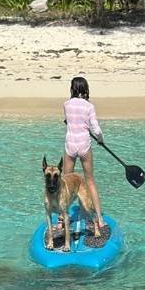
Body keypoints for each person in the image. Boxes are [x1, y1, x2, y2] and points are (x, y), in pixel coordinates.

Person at [62, 75, 107, 236]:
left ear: (72, 89)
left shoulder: (66, 104)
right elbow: (96, 129)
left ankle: (62, 220)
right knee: (90, 181)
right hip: (84, 146)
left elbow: (67, 121)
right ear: (85, 89)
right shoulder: (89, 106)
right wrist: (100, 140)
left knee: (66, 183)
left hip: (70, 145)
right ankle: (100, 219)